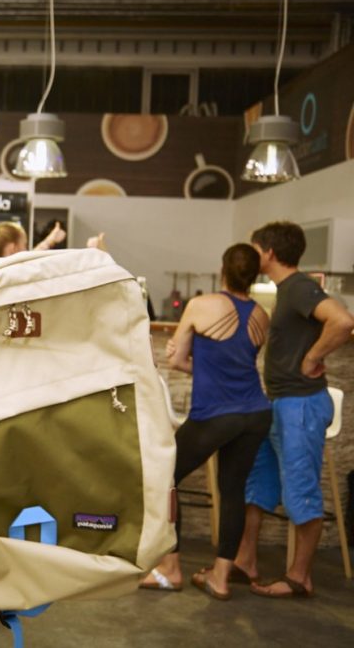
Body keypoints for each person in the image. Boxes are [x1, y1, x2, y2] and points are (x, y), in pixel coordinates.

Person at [139, 244, 272, 600]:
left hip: (216, 414)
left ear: (223, 270)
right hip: (256, 414)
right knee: (232, 493)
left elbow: (179, 361)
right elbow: (237, 366)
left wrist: (184, 356)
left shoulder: (200, 306)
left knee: (164, 477)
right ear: (255, 275)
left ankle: (169, 569)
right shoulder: (262, 314)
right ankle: (220, 578)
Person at [234, 221, 354, 599]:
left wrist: (313, 357)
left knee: (302, 492)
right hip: (280, 403)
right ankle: (244, 562)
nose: (252, 256)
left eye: (255, 249)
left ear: (268, 253)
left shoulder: (300, 287)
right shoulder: (286, 290)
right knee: (258, 486)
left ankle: (300, 577)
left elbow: (344, 321)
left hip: (301, 405)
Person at [0, 220, 66, 259]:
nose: (26, 250)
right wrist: (50, 240)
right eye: (24, 245)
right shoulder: (14, 277)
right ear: (13, 248)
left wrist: (50, 240)